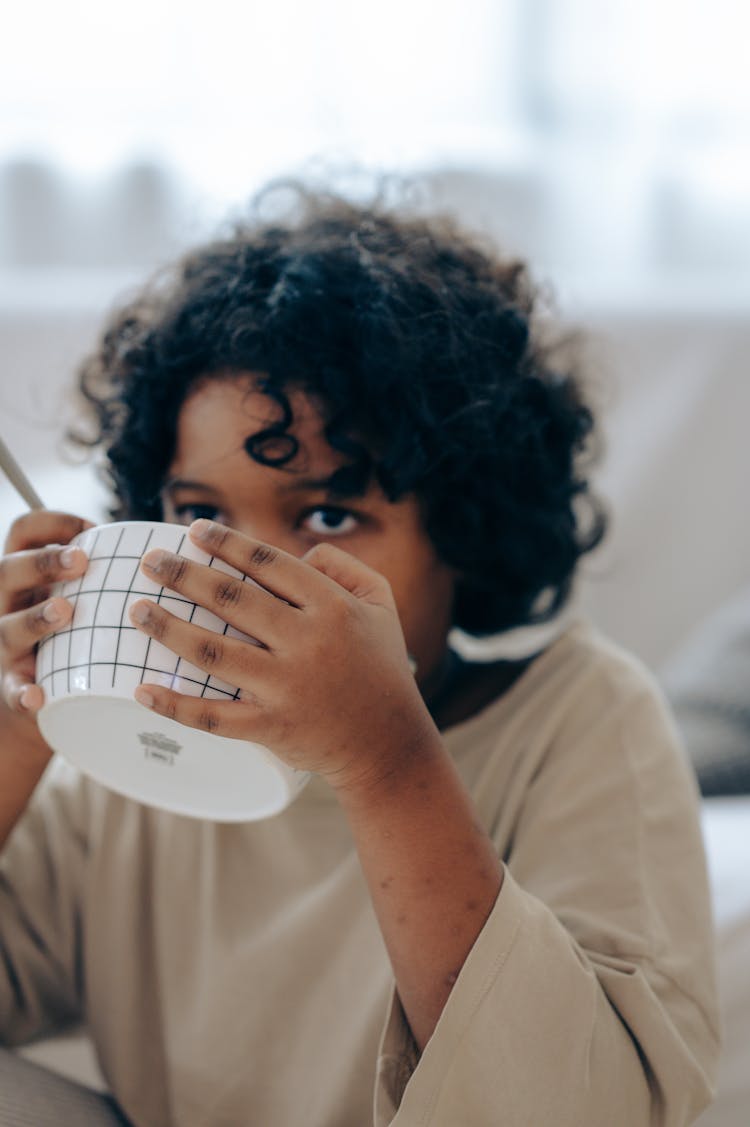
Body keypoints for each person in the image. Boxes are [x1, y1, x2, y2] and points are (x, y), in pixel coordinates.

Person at [0, 185, 719, 1126]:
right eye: (201, 516)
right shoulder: (132, 746)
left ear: (463, 533)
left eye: (329, 515)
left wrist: (385, 760)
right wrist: (20, 720)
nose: (251, 573)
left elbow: (582, 1107)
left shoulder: (586, 721)